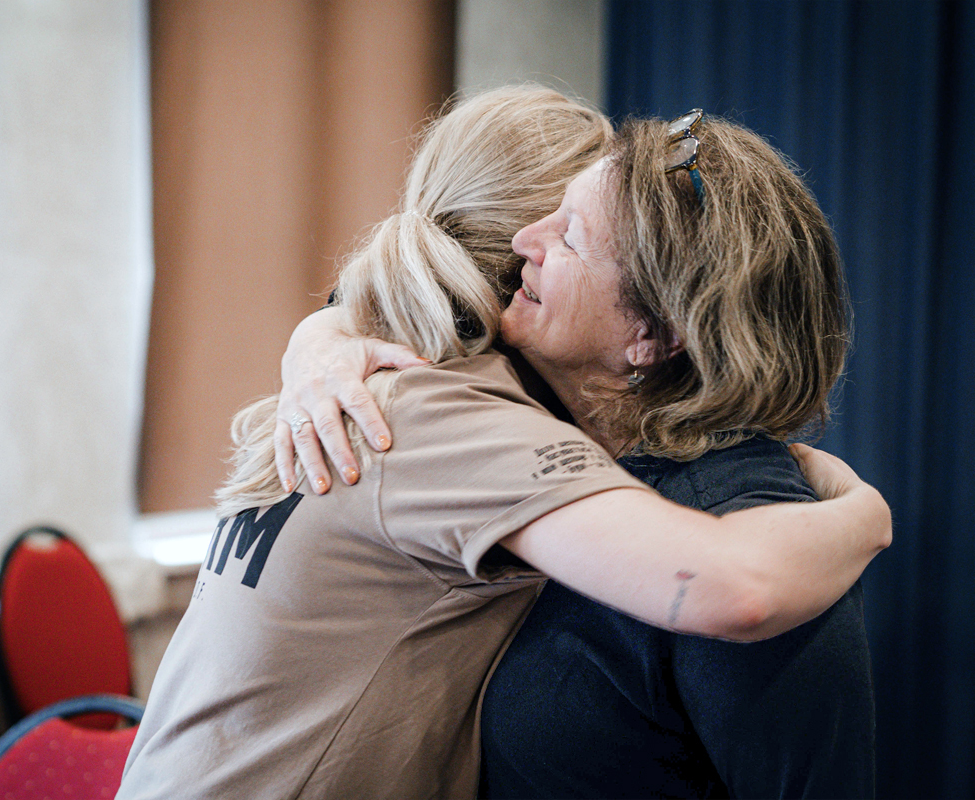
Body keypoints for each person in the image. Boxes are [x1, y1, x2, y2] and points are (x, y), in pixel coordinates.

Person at [117, 88, 889, 800]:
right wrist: (868, 514)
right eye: (552, 218)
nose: (530, 243)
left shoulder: (386, 382)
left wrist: (322, 329)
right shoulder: (450, 415)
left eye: (573, 234)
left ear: (655, 331)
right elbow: (736, 586)